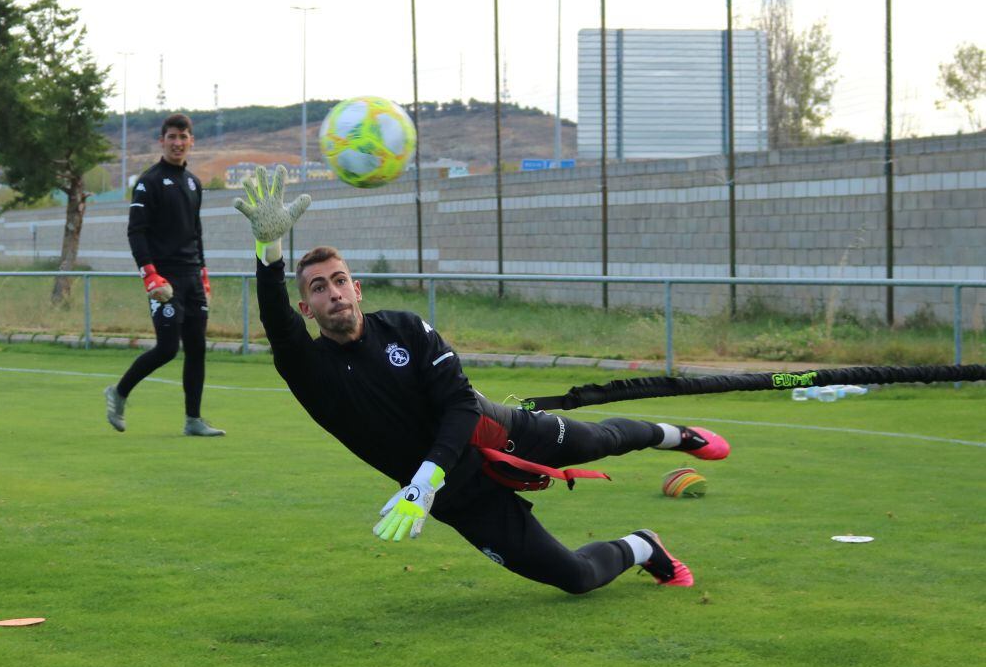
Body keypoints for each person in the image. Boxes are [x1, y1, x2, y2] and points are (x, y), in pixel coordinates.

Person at [235, 165, 731, 594]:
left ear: (357, 288)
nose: (334, 293)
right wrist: (269, 250)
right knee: (575, 577)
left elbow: (459, 406)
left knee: (600, 440)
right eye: (319, 288)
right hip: (459, 496)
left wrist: (423, 481)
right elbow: (276, 322)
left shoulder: (405, 328)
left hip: (498, 433)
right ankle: (643, 546)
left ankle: (675, 436)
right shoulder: (307, 366)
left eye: (340, 280)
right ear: (307, 307)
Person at [105, 113, 225, 437]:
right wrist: (150, 275)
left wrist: (204, 274)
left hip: (191, 276)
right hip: (165, 280)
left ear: (191, 142)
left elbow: (196, 233)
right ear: (162, 141)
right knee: (168, 348)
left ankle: (193, 420)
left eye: (183, 137)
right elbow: (136, 232)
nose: (177, 143)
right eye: (171, 137)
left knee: (197, 347)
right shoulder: (148, 182)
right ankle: (118, 393)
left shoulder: (193, 183)